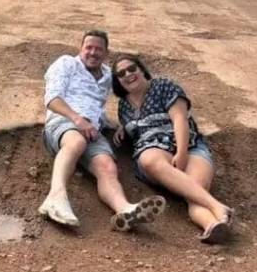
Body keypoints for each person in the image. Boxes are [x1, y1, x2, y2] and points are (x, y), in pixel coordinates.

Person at [38, 30, 166, 231]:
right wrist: (78, 120)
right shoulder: (66, 64)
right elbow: (52, 99)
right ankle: (55, 197)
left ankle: (124, 210)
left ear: (106, 53)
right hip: (63, 123)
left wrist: (120, 125)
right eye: (88, 47)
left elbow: (99, 105)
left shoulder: (107, 75)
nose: (93, 52)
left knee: (107, 165)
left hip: (92, 129)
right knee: (76, 142)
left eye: (98, 49)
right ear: (81, 48)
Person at [111, 54, 234, 243]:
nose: (128, 74)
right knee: (150, 161)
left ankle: (213, 225)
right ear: (118, 81)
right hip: (153, 151)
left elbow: (179, 119)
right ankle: (218, 207)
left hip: (190, 147)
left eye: (131, 68)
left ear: (141, 69)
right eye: (121, 73)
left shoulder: (164, 85)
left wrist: (182, 152)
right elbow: (135, 130)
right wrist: (123, 128)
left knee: (195, 191)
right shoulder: (123, 106)